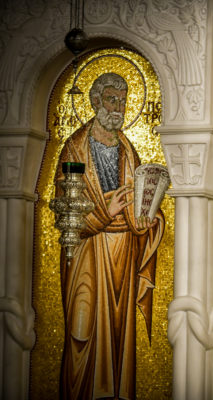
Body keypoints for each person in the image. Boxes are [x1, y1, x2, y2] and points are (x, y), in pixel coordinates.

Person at [54, 72, 165, 399]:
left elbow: (139, 205)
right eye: (111, 99)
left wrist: (146, 219)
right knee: (82, 327)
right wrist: (105, 212)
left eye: (123, 101)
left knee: (117, 331)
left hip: (123, 252)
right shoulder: (74, 148)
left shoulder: (128, 149)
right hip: (87, 252)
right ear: (95, 102)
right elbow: (65, 214)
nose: (118, 107)